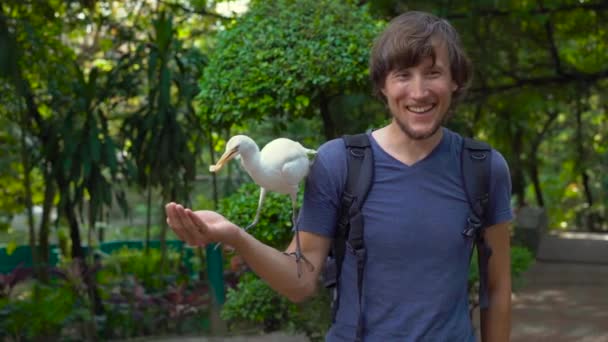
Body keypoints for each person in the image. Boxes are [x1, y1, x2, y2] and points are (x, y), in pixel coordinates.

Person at [165, 10, 512, 342]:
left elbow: (496, 290)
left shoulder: (483, 168)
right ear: (382, 86)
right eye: (403, 75)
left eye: (433, 73)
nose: (418, 92)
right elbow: (300, 280)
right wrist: (236, 235)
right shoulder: (339, 163)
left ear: (455, 81)